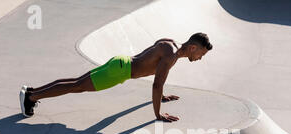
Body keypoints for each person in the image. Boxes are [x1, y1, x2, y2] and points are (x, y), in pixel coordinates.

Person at [20, 32, 212, 122]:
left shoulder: (170, 43)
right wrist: (157, 114)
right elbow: (156, 85)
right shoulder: (172, 56)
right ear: (193, 47)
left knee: (76, 82)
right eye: (201, 54)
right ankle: (31, 97)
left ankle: (32, 92)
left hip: (121, 61)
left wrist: (162, 97)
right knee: (76, 86)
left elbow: (150, 62)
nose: (199, 58)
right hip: (120, 71)